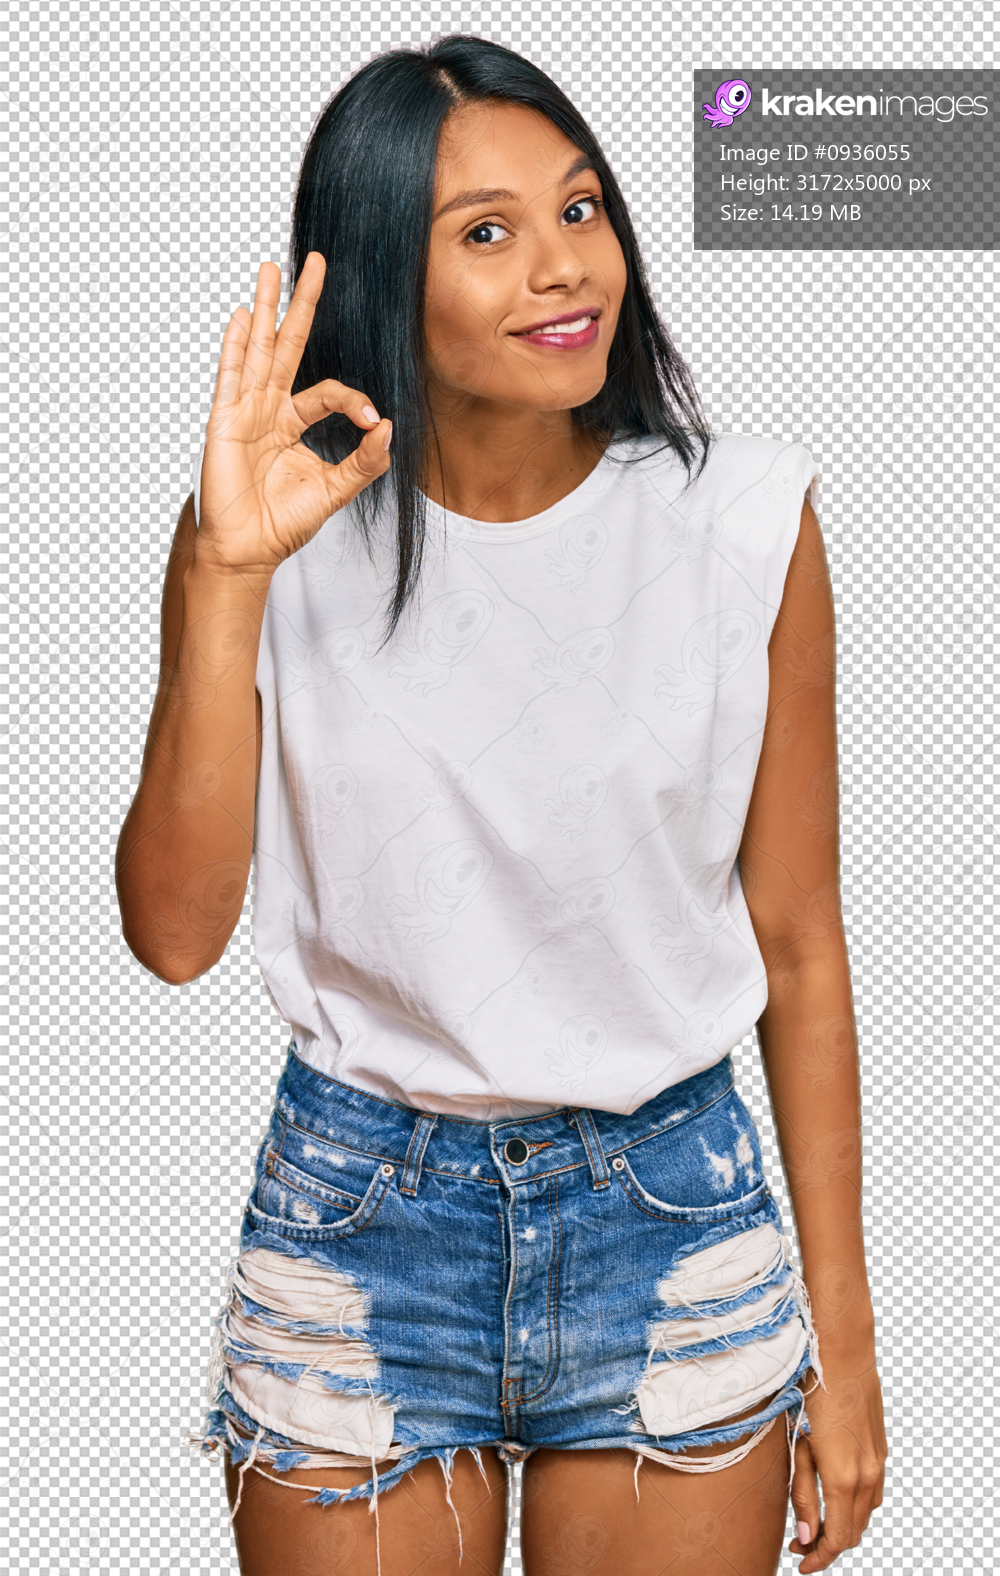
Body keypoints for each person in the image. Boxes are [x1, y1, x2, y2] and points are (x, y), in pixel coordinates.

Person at [116, 33, 887, 1576]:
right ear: (380, 280)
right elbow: (177, 934)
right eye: (488, 233)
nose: (563, 267)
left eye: (580, 209)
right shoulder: (267, 543)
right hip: (359, 1223)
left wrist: (848, 1349)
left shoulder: (744, 524)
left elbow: (799, 947)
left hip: (668, 1215)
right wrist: (222, 577)